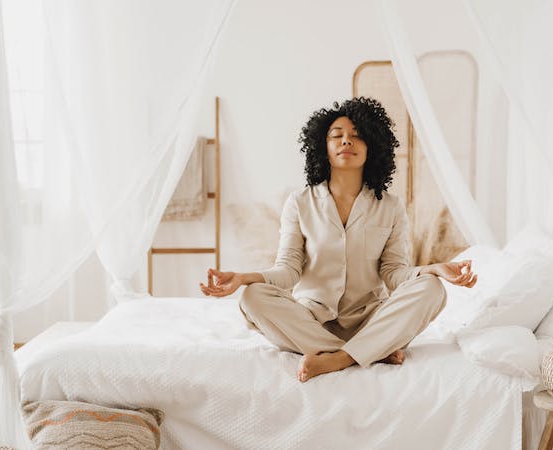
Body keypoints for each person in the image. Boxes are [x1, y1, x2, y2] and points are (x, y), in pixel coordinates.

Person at [200, 97, 477, 382]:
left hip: (371, 320)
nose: (347, 141)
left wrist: (433, 269)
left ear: (373, 148)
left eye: (357, 136)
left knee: (432, 289)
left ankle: (338, 359)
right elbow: (288, 270)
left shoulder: (390, 207)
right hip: (310, 323)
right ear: (323, 146)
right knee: (252, 296)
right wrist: (242, 278)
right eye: (337, 136)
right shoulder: (299, 203)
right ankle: (370, 352)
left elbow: (394, 273)